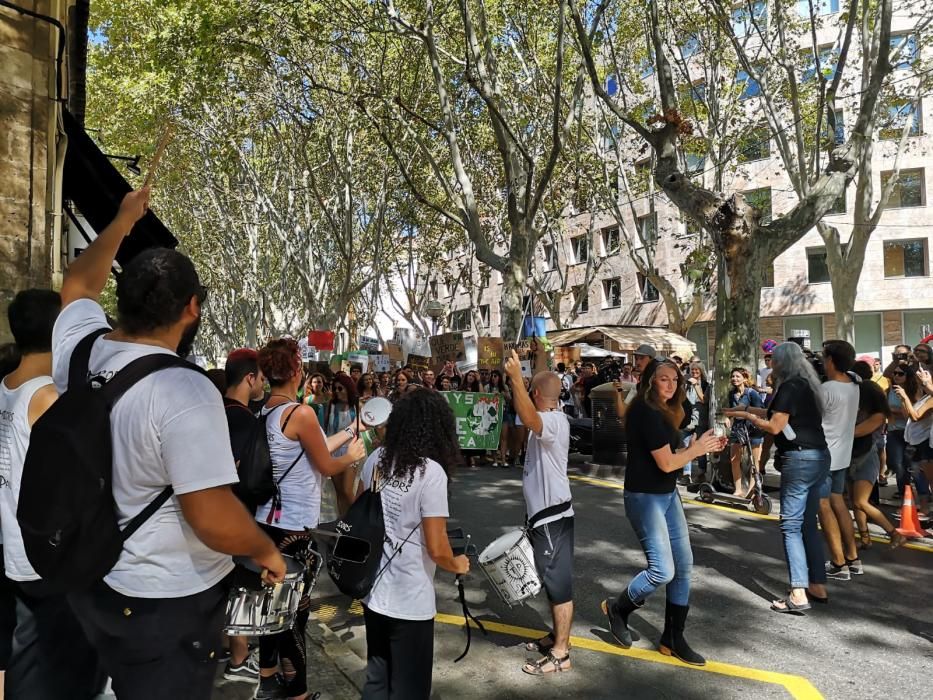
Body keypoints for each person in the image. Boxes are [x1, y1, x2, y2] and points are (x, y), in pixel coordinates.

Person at [53, 189, 286, 699]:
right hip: (163, 601)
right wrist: (264, 548)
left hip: (89, 576)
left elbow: (76, 285)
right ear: (191, 308)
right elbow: (209, 513)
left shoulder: (79, 348)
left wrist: (121, 221)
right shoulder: (185, 389)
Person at [0, 290, 106, 699]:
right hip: (48, 555)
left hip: (15, 545)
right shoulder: (47, 396)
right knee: (57, 669)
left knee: (28, 652)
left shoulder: (6, 387)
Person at [254, 338, 366, 700]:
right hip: (294, 526)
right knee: (294, 614)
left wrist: (350, 433)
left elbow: (315, 446)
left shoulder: (267, 410)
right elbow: (326, 464)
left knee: (272, 603)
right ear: (296, 370)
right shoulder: (300, 413)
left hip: (265, 520)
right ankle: (298, 693)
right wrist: (354, 455)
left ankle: (269, 675)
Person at [603, 361, 722, 664]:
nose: (670, 385)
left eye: (675, 379)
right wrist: (697, 450)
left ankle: (673, 637)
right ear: (649, 382)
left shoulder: (669, 411)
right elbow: (668, 463)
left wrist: (697, 444)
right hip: (645, 497)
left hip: (667, 494)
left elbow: (674, 448)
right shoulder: (645, 411)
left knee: (684, 567)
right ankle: (618, 608)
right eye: (663, 380)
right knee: (663, 570)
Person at [357, 390, 469, 699]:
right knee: (410, 689)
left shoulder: (375, 460)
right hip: (410, 599)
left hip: (372, 590)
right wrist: (458, 564)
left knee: (377, 680)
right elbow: (437, 547)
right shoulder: (430, 473)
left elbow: (358, 514)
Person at [726, 341, 830, 613]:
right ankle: (817, 584)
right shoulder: (807, 385)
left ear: (781, 362)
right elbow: (775, 414)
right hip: (818, 455)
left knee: (791, 526)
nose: (769, 363)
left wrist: (747, 415)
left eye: (772, 359)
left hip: (798, 459)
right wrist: (744, 412)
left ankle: (798, 593)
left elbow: (774, 425)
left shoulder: (788, 386)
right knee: (808, 523)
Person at [503, 351, 576, 675]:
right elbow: (528, 414)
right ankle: (556, 637)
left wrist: (517, 377)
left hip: (553, 519)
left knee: (559, 585)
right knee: (550, 581)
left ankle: (561, 653)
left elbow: (528, 417)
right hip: (545, 518)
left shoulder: (554, 422)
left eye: (528, 390)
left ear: (536, 394)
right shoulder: (550, 419)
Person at [220, 347, 268, 682]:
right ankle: (239, 658)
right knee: (242, 588)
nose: (262, 384)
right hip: (236, 516)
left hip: (212, 519)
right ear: (250, 377)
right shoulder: (242, 419)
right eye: (261, 378)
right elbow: (238, 469)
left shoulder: (213, 408)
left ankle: (227, 647)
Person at [848, 362, 907, 549]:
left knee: (860, 501)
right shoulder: (857, 409)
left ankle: (894, 533)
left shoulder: (877, 415)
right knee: (855, 503)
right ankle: (865, 538)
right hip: (851, 457)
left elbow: (857, 432)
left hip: (867, 458)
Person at [818, 340, 861, 581]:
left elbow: (810, 416)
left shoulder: (827, 389)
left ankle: (838, 562)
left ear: (831, 361)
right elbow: (855, 374)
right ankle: (853, 558)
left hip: (824, 455)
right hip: (842, 454)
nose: (822, 362)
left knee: (823, 506)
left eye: (824, 358)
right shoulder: (854, 384)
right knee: (838, 503)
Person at [323, 374, 361, 516]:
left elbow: (364, 427)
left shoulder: (357, 405)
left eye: (340, 388)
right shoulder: (330, 405)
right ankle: (343, 523)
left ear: (348, 388)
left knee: (346, 490)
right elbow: (325, 428)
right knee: (339, 491)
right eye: (335, 388)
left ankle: (357, 518)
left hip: (350, 449)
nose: (337, 391)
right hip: (334, 450)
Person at [727, 368, 764, 496]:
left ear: (745, 378)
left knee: (754, 461)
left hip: (752, 429)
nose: (734, 379)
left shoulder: (752, 393)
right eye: (733, 376)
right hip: (738, 429)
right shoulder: (732, 393)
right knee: (734, 459)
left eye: (737, 376)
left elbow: (760, 410)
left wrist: (749, 416)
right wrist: (729, 418)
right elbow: (732, 411)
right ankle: (738, 489)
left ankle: (753, 490)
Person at [886, 365, 919, 499]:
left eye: (901, 374)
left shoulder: (914, 391)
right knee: (897, 464)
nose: (896, 376)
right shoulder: (890, 391)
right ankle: (903, 491)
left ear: (908, 376)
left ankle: (923, 492)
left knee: (913, 464)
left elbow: (912, 414)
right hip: (894, 431)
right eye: (895, 373)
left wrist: (895, 410)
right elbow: (885, 409)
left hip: (911, 432)